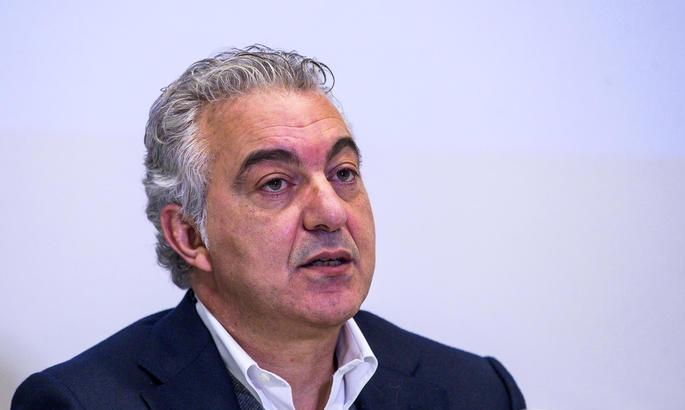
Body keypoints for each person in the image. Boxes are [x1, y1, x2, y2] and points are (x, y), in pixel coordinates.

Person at [12, 45, 526, 410]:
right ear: (189, 235)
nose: (331, 213)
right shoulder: (81, 401)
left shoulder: (477, 392)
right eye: (276, 183)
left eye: (343, 173)